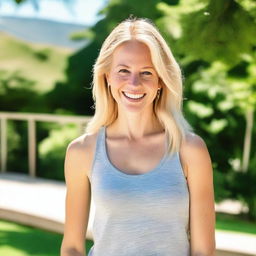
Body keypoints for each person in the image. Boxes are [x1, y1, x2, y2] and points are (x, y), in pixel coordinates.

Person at [60, 17, 216, 256]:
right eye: (123, 70)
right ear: (107, 76)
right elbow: (72, 247)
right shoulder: (82, 152)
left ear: (161, 81)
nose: (134, 83)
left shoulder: (190, 150)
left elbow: (203, 251)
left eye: (146, 72)